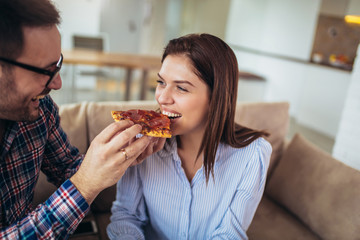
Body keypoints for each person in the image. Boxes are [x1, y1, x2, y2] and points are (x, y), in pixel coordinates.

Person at [0, 0, 165, 238]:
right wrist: (84, 185)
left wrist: (117, 158)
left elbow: (67, 168)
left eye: (58, 65)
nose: (58, 84)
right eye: (45, 71)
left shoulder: (40, 110)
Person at [107, 33, 272, 239]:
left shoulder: (253, 155)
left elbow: (229, 234)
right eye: (161, 82)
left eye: (181, 88)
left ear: (216, 97)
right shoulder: (140, 143)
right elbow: (126, 216)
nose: (163, 98)